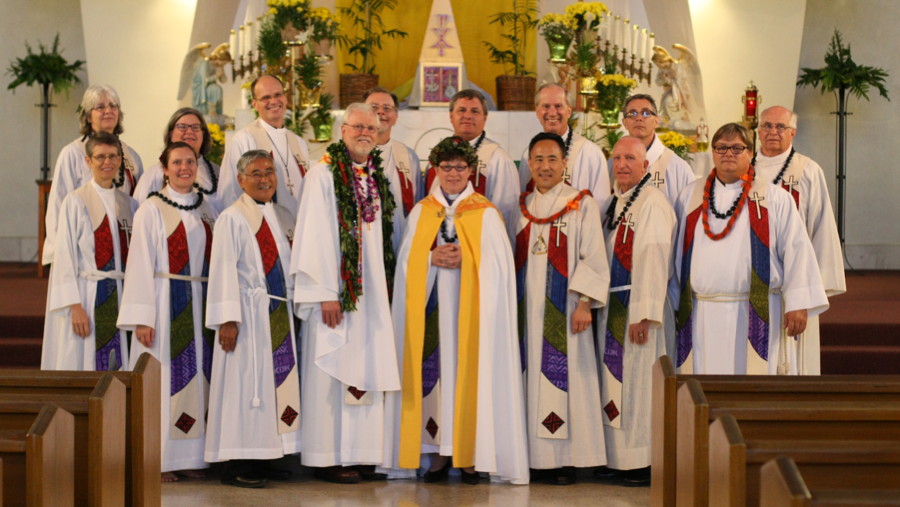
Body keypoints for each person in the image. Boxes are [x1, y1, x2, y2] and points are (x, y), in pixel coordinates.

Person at [387, 136, 528, 485]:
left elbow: (500, 267)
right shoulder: (422, 211)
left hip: (471, 317)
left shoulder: (485, 212)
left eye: (460, 167)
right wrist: (428, 257)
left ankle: (470, 456)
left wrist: (470, 258)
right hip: (432, 313)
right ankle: (437, 454)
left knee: (468, 375)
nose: (452, 173)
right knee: (435, 375)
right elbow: (405, 262)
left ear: (471, 171)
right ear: (435, 169)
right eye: (446, 166)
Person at [289, 103, 400, 484]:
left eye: (371, 127)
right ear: (343, 131)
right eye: (357, 127)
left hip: (371, 294)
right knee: (335, 368)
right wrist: (325, 293)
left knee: (366, 363)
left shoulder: (374, 176)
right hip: (337, 294)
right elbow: (315, 234)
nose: (365, 133)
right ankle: (331, 456)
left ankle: (364, 453)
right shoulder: (323, 174)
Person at [671, 123, 828, 375]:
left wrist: (798, 303)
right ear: (712, 152)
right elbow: (674, 254)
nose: (728, 154)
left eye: (736, 148)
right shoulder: (690, 196)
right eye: (721, 148)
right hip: (701, 313)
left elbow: (797, 251)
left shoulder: (774, 198)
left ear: (750, 152)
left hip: (756, 311)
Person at [117, 141, 218, 482]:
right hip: (164, 301)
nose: (184, 168)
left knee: (199, 379)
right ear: (165, 168)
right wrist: (142, 316)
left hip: (199, 302)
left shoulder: (207, 208)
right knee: (162, 382)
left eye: (189, 162)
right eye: (177, 162)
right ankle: (157, 460)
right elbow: (140, 262)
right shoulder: (152, 208)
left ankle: (191, 457)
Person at [514, 132, 609, 485]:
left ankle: (566, 461)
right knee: (528, 380)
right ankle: (533, 457)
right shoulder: (520, 208)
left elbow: (594, 256)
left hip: (567, 311)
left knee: (569, 380)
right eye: (538, 159)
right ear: (529, 163)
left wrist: (585, 302)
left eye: (552, 159)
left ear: (565, 164)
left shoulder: (580, 203)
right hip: (527, 314)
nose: (545, 166)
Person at [204, 151, 300, 488]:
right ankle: (237, 461)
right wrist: (227, 318)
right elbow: (223, 268)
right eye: (256, 173)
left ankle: (268, 455)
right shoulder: (233, 217)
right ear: (241, 179)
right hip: (246, 315)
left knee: (274, 388)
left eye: (270, 172)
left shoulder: (285, 215)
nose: (264, 179)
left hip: (278, 313)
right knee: (245, 387)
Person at [596, 137, 676, 486]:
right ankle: (618, 458)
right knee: (618, 384)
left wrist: (644, 313)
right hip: (615, 306)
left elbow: (655, 258)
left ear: (646, 166)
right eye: (617, 158)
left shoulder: (652, 202)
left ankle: (643, 462)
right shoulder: (619, 201)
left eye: (630, 158)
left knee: (640, 385)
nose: (622, 164)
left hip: (638, 309)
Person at [753, 106, 846, 375]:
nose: (773, 132)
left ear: (793, 132)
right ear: (758, 131)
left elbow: (821, 227)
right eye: (767, 126)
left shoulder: (807, 170)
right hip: (753, 279)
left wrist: (809, 289)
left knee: (795, 362)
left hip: (796, 276)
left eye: (780, 127)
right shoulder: (745, 168)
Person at [41, 132, 137, 371]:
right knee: (88, 363)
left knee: (121, 363)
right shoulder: (75, 202)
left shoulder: (129, 204)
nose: (107, 162)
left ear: (120, 161)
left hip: (122, 295)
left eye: (113, 156)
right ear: (88, 161)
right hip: (89, 295)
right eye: (100, 157)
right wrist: (74, 307)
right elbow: (64, 257)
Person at [44, 84, 143, 266]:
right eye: (100, 107)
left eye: (113, 106)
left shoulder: (131, 156)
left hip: (124, 244)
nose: (108, 111)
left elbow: (139, 202)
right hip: (85, 246)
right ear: (88, 115)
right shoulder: (73, 153)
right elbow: (58, 203)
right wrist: (60, 253)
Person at [424, 89, 519, 226]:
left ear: (485, 118)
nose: (467, 116)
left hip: (480, 238)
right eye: (461, 110)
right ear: (451, 116)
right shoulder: (438, 155)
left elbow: (506, 210)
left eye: (474, 111)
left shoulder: (498, 158)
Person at [219, 75, 310, 215]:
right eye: (266, 97)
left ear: (285, 98)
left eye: (278, 95)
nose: (273, 101)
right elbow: (229, 193)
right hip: (263, 228)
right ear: (254, 104)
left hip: (301, 226)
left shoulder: (299, 143)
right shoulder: (243, 139)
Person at [518, 84, 610, 207]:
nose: (552, 112)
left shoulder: (590, 153)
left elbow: (601, 205)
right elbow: (524, 199)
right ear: (537, 111)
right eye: (546, 106)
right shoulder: (528, 154)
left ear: (569, 111)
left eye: (558, 106)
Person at [364, 87, 422, 249]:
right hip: (362, 239)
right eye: (374, 108)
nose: (381, 112)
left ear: (395, 117)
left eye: (387, 108)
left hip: (401, 238)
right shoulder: (351, 154)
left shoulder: (409, 157)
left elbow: (418, 203)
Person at [135, 107, 224, 212]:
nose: (190, 131)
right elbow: (140, 212)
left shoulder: (217, 172)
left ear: (203, 134)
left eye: (195, 127)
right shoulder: (154, 174)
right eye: (182, 127)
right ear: (171, 134)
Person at [620, 94, 695, 205]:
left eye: (646, 113)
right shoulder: (615, 165)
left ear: (656, 121)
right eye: (632, 113)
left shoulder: (678, 168)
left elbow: (689, 213)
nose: (639, 118)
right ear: (624, 123)